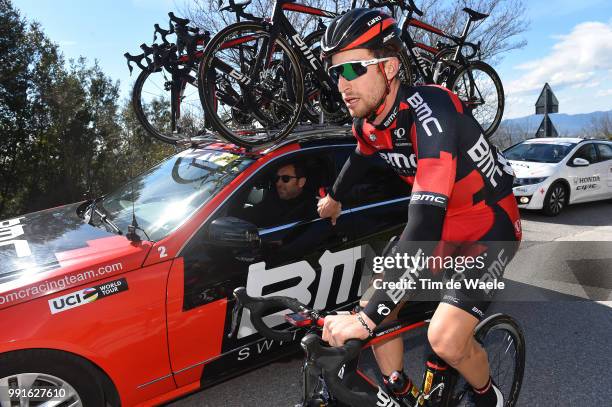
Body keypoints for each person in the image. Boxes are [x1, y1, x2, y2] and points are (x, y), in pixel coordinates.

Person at [316, 8, 521, 407]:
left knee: (444, 338)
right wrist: (335, 199)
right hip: (444, 228)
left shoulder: (433, 112)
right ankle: (397, 387)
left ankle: (487, 395)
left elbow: (424, 221)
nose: (342, 84)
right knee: (374, 296)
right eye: (335, 72)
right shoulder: (369, 123)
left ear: (390, 67)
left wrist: (366, 321)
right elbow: (359, 158)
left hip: (489, 227)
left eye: (354, 69)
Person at [243, 162, 317, 228]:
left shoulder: (312, 207)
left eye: (285, 178)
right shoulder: (271, 198)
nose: (278, 183)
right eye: (277, 178)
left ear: (301, 182)